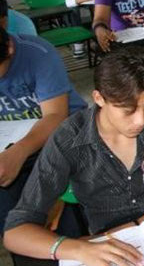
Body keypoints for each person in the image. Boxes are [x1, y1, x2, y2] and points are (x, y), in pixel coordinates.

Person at [4, 47, 144, 265]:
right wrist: (80, 248)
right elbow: (15, 233)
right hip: (113, 238)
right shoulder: (69, 139)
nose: (140, 120)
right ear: (99, 98)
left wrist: (111, 237)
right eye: (128, 110)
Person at [0, 23, 87, 233]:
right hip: (8, 143)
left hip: (60, 136)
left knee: (60, 221)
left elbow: (55, 116)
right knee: (12, 222)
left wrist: (19, 152)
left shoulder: (38, 53)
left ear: (9, 48)